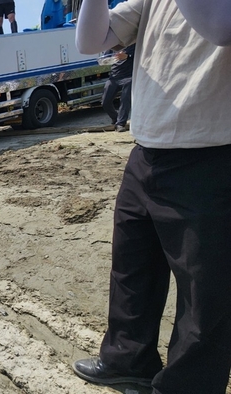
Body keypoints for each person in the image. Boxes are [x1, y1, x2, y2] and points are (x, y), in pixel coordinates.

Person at [72, 1, 231, 393]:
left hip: (209, 153)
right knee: (131, 268)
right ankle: (128, 359)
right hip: (146, 151)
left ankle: (186, 386)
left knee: (203, 292)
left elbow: (220, 28)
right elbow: (90, 41)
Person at [101, 45, 135, 132]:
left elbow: (141, 57)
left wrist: (127, 56)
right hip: (114, 77)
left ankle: (121, 124)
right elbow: (105, 58)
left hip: (128, 77)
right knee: (105, 101)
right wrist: (104, 61)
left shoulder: (132, 44)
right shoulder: (113, 46)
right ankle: (115, 118)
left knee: (125, 100)